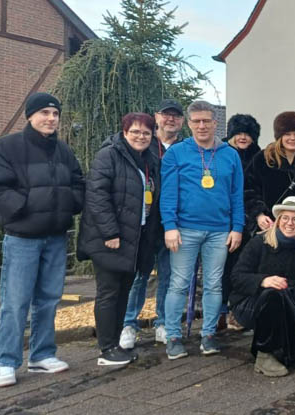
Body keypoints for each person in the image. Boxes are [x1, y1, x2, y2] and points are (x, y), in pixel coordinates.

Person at [0, 93, 84, 387]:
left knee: (49, 299)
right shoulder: (6, 147)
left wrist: (70, 205)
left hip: (55, 237)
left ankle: (42, 355)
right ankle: (5, 360)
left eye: (55, 113)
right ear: (30, 115)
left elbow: (78, 183)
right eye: (44, 113)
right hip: (22, 238)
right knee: (15, 301)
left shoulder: (63, 150)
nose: (51, 118)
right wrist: (23, 207)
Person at [160, 100, 245, 359]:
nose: (201, 126)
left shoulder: (231, 154)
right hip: (184, 229)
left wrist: (237, 227)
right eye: (196, 121)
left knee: (214, 285)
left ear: (215, 123)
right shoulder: (176, 153)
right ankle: (173, 336)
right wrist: (169, 226)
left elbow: (237, 194)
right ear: (188, 124)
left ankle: (208, 335)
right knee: (178, 284)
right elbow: (168, 194)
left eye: (206, 120)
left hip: (219, 231)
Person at [77, 113, 161, 365]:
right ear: (124, 132)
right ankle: (106, 347)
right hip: (111, 238)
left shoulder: (149, 160)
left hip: (136, 238)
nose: (140, 137)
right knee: (109, 292)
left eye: (146, 133)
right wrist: (110, 233)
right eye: (135, 131)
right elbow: (97, 196)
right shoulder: (109, 155)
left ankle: (115, 345)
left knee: (123, 291)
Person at [231, 197, 295, 376]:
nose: (290, 223)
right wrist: (263, 280)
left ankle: (282, 347)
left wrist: (288, 288)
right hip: (250, 303)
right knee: (272, 295)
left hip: (290, 303)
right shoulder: (259, 242)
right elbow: (237, 277)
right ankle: (264, 354)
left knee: (278, 295)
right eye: (285, 218)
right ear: (278, 220)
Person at [122, 98, 185, 348]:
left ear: (182, 121)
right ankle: (128, 324)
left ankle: (163, 323)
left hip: (174, 224)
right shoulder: (144, 145)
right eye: (166, 114)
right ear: (156, 117)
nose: (171, 119)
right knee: (139, 276)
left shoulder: (186, 149)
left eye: (176, 115)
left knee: (168, 276)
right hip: (145, 224)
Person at [245, 111, 295, 246]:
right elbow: (248, 190)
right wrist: (258, 215)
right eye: (287, 134)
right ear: (279, 136)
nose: (292, 138)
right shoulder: (263, 159)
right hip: (267, 228)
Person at [218, 113, 263, 331]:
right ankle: (218, 311)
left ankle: (236, 311)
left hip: (249, 222)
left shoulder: (259, 157)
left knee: (241, 268)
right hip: (222, 219)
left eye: (248, 134)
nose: (243, 138)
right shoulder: (220, 153)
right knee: (220, 268)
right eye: (239, 133)